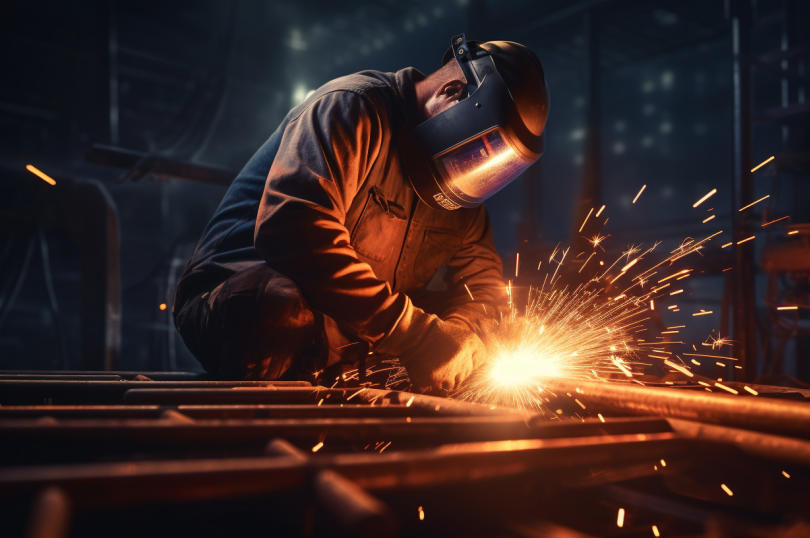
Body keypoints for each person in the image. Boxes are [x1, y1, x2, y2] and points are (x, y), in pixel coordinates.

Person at [173, 34, 549, 393]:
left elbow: (484, 289)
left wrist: (460, 336)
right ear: (451, 93)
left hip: (346, 332)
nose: (475, 166)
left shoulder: (460, 190)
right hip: (238, 304)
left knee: (469, 344)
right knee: (279, 308)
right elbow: (293, 229)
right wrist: (415, 335)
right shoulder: (353, 108)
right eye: (478, 147)